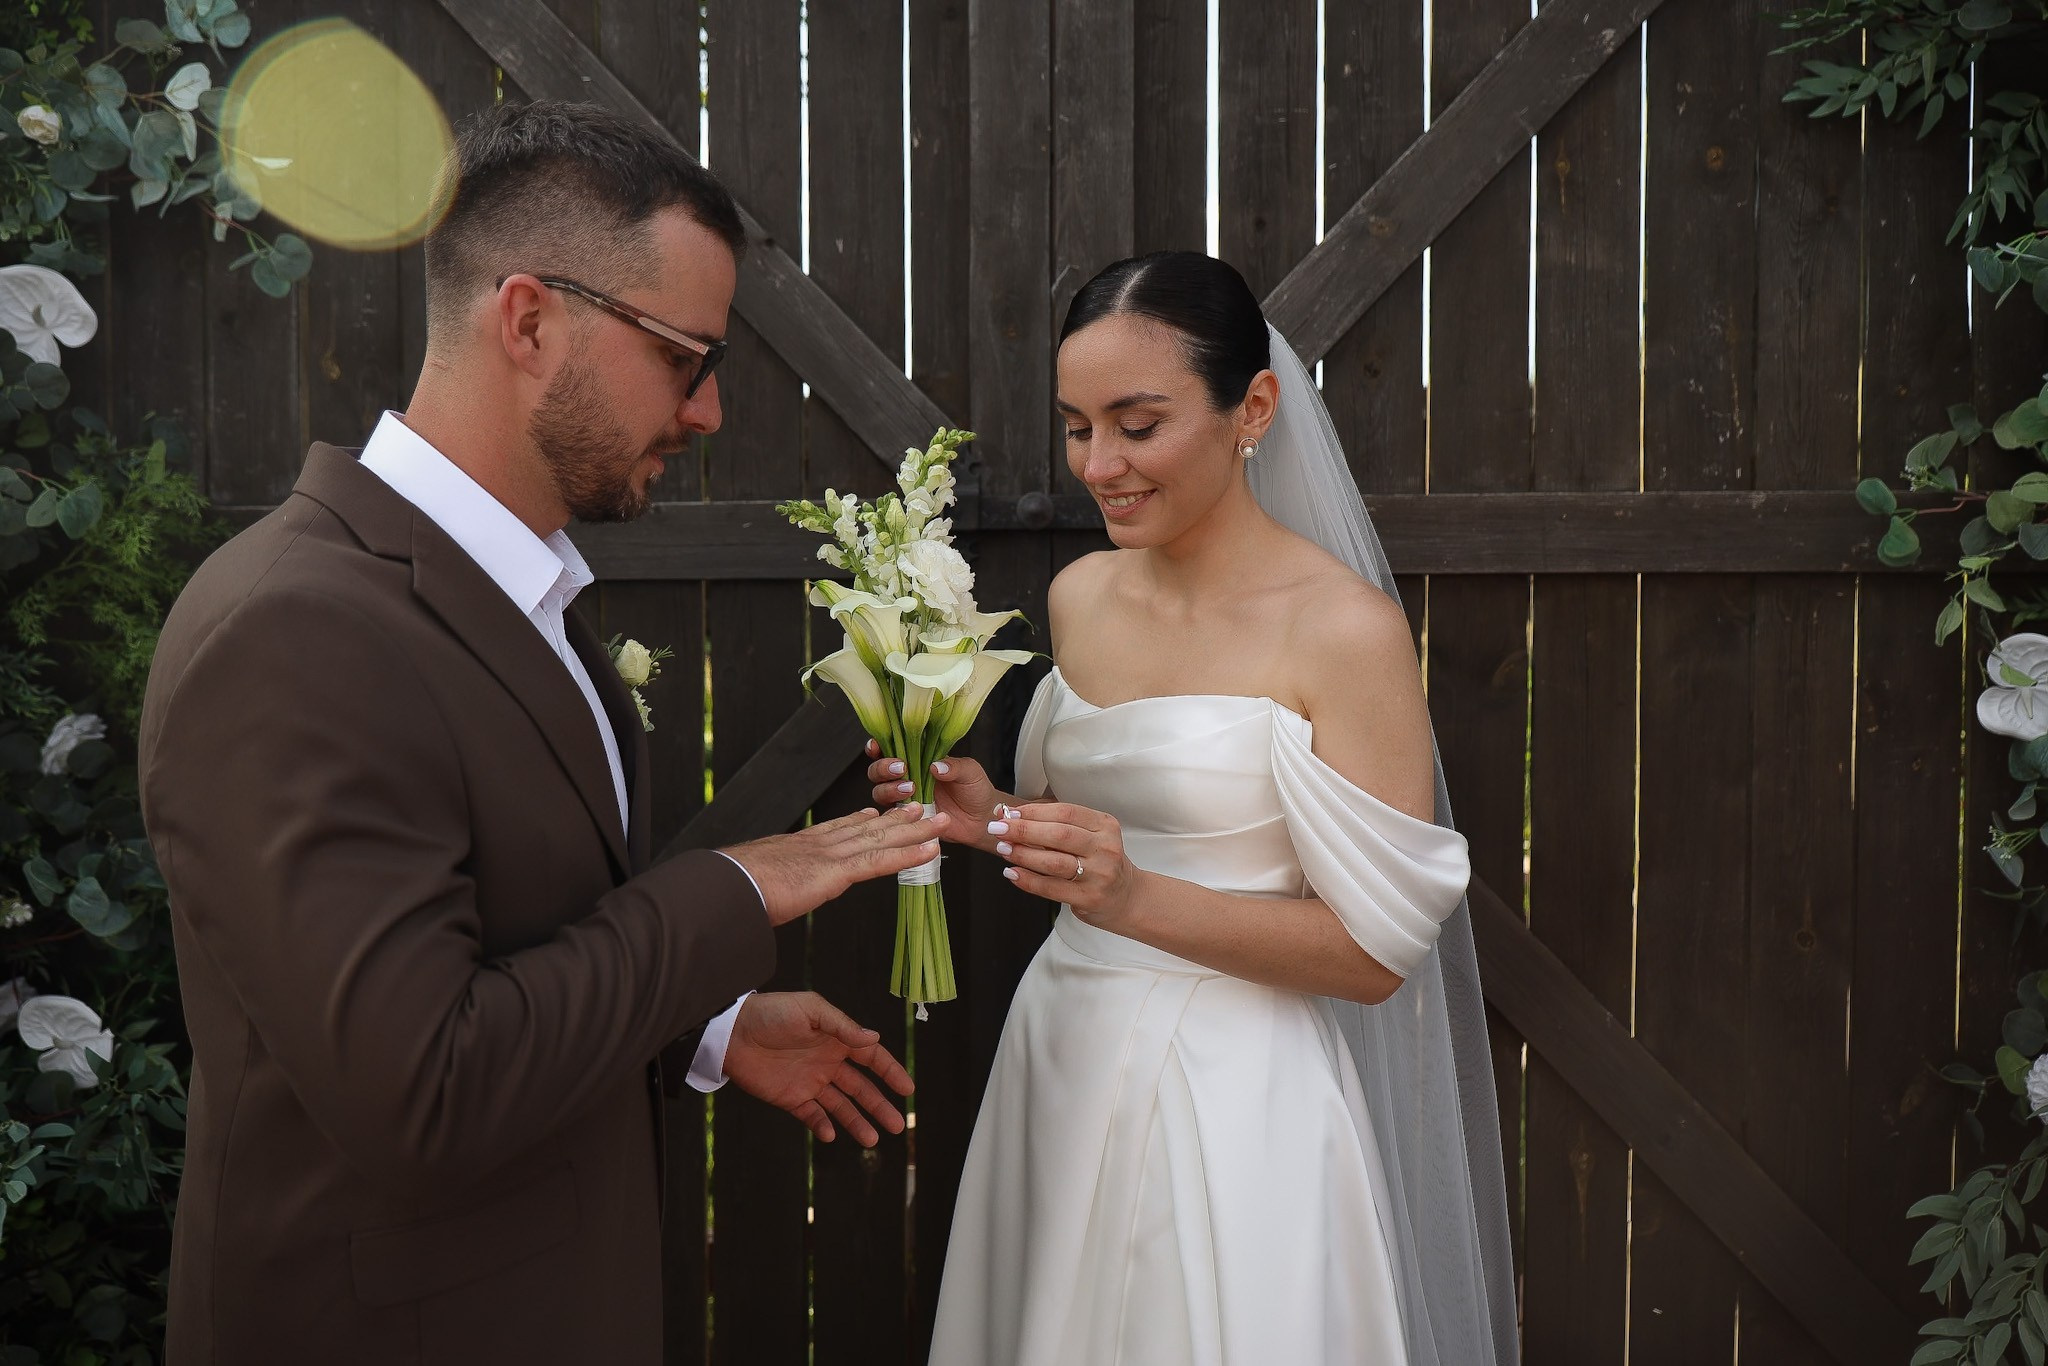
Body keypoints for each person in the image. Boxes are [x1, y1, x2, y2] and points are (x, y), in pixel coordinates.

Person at [137, 100, 947, 1364]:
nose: (709, 412)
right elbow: (424, 1089)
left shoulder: (523, 593)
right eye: (687, 358)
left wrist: (706, 1025)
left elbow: (514, 935)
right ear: (528, 319)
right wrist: (732, 890)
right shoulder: (295, 629)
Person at [875, 252, 1519, 1364]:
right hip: (1061, 1047)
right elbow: (1086, 841)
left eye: (1136, 424)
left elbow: (1371, 956)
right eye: (1078, 427)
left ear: (1251, 409)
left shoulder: (1342, 631)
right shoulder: (1079, 597)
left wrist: (1130, 894)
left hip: (1238, 1088)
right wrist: (984, 815)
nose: (1100, 465)